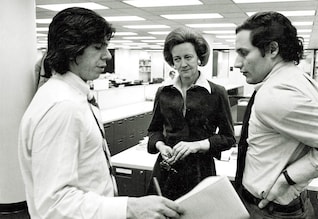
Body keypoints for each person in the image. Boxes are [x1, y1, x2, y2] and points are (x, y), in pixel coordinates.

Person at [18, 7, 183, 219]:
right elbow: (54, 205)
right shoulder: (63, 107)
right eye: (98, 47)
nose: (107, 55)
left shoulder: (73, 97)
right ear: (71, 50)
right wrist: (129, 208)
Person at [233, 11, 318, 218]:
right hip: (286, 205)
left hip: (270, 210)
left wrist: (287, 178)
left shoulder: (274, 94)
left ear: (272, 49)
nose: (236, 62)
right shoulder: (298, 78)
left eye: (243, 53)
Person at [147, 26, 236, 200]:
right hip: (167, 171)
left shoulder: (216, 92)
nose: (183, 64)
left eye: (188, 57)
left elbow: (228, 138)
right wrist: (161, 146)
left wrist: (196, 145)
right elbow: (154, 131)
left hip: (200, 172)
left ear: (199, 58)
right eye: (177, 59)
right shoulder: (163, 92)